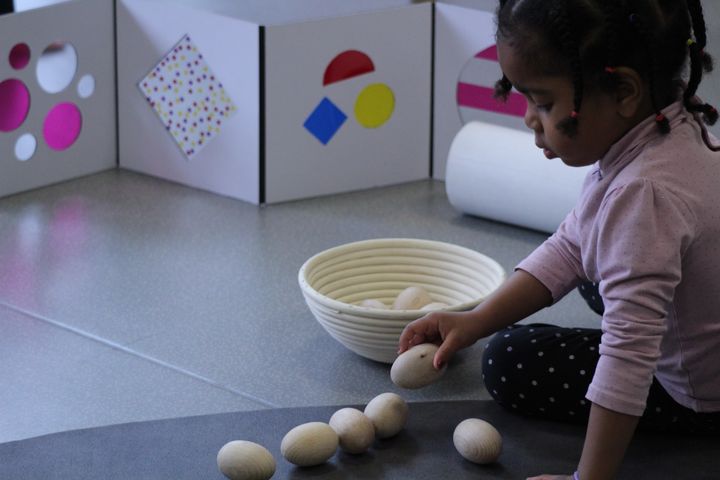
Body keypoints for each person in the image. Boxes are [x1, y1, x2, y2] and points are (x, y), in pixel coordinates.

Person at [398, 1, 720, 479]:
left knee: (507, 361)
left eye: (544, 103)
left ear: (624, 91)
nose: (530, 119)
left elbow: (629, 354)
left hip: (699, 395)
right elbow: (574, 243)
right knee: (594, 267)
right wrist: (476, 319)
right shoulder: (673, 120)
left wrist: (586, 478)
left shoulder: (641, 196)